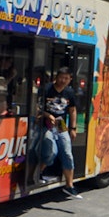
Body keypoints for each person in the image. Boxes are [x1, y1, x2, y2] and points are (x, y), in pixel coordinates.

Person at [34, 66, 82, 199]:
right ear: (56, 77)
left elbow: (72, 110)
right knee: (52, 151)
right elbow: (37, 108)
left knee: (67, 153)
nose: (63, 80)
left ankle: (69, 186)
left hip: (60, 124)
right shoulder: (46, 89)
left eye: (66, 78)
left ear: (70, 79)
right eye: (61, 77)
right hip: (46, 123)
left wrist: (73, 128)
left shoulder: (69, 92)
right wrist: (47, 115)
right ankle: (39, 172)